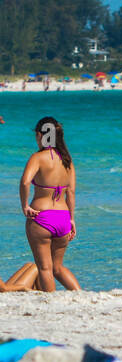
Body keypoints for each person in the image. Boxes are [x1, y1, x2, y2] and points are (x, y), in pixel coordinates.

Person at [19, 116, 80, 291]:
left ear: (40, 135)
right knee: (57, 268)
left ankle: (51, 302)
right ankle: (79, 295)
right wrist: (72, 220)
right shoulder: (67, 161)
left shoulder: (38, 157)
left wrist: (25, 206)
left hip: (41, 217)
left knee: (45, 268)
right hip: (63, 218)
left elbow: (25, 182)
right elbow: (72, 193)